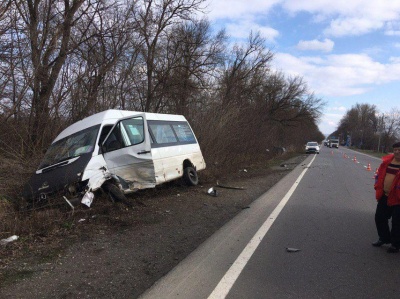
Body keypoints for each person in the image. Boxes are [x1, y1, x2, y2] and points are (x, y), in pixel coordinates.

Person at [372, 142, 400, 253]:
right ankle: (384, 238)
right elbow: (379, 175)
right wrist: (377, 185)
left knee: (397, 222)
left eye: (399, 150)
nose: (397, 152)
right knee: (379, 217)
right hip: (385, 195)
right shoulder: (387, 162)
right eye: (395, 150)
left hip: (398, 199)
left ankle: (395, 244)